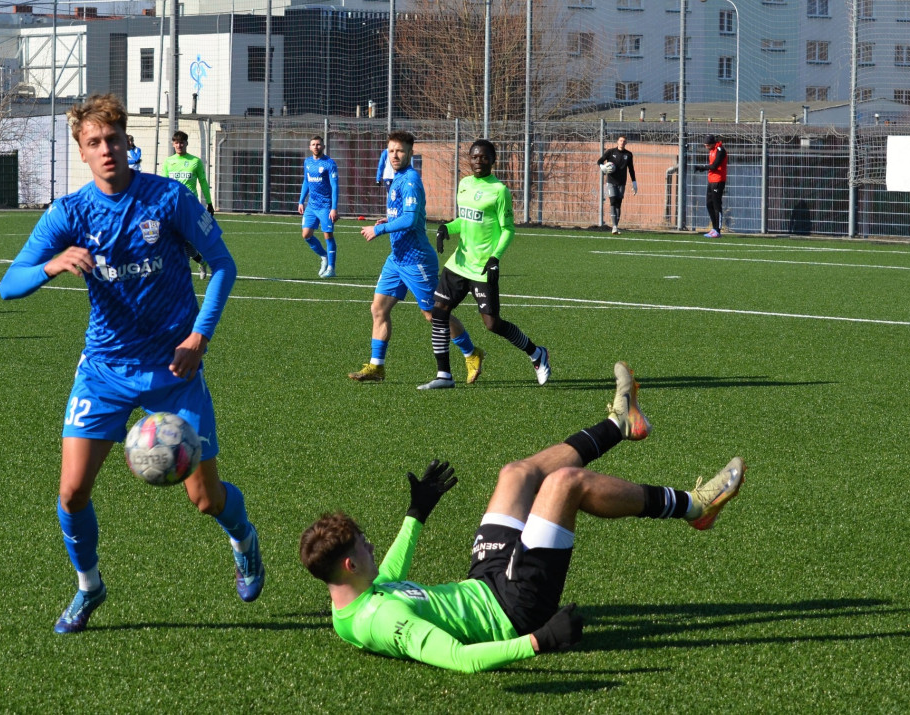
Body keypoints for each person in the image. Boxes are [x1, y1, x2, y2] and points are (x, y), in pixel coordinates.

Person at [0, 94, 265, 634]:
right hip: (104, 370)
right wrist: (52, 264)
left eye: (113, 139)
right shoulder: (68, 213)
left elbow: (222, 265)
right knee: (71, 492)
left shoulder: (167, 198)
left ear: (128, 143)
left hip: (175, 370)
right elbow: (9, 284)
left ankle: (244, 539)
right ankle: (88, 586)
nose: (106, 150)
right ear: (82, 151)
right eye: (94, 142)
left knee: (205, 499)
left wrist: (199, 337)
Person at [300, 361, 745, 673]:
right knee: (564, 484)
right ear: (349, 564)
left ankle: (619, 424)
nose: (371, 545)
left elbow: (390, 577)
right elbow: (459, 658)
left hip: (483, 582)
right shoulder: (379, 622)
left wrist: (416, 514)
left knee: (516, 474)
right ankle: (695, 506)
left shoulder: (357, 595)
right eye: (364, 545)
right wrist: (539, 640)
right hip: (514, 608)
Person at [350, 130, 481, 383]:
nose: (394, 155)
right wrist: (389, 219)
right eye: (391, 151)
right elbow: (407, 214)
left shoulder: (410, 180)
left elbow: (410, 220)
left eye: (400, 151)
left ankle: (471, 352)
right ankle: (377, 366)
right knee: (378, 308)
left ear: (411, 152)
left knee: (433, 314)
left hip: (417, 260)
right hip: (397, 258)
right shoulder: (397, 177)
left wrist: (379, 230)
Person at [422, 139, 549, 390]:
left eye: (484, 157)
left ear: (493, 160)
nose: (478, 161)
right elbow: (464, 220)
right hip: (459, 263)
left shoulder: (499, 191)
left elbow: (508, 229)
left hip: (483, 268)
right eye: (474, 157)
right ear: (469, 159)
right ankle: (444, 375)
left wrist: (495, 258)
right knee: (439, 313)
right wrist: (447, 228)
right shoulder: (464, 184)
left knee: (492, 324)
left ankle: (536, 353)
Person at [162, 130, 215, 278]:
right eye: (176, 143)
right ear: (173, 144)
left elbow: (203, 182)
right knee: (179, 239)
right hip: (173, 206)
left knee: (185, 238)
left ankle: (184, 269)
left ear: (186, 143)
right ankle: (201, 261)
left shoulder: (195, 161)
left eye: (182, 142)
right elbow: (164, 185)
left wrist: (209, 203)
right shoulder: (168, 162)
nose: (179, 145)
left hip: (190, 206)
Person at [298, 135, 339, 278]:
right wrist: (301, 201)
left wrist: (334, 208)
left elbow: (335, 187)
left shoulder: (330, 164)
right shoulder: (307, 162)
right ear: (310, 147)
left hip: (325, 206)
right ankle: (324, 256)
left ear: (323, 146)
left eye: (318, 144)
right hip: (311, 205)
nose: (316, 147)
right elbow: (306, 181)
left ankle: (331, 268)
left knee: (328, 235)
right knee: (306, 235)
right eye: (313, 144)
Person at [596, 136, 637, 235]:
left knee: (618, 204)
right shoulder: (610, 152)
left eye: (624, 141)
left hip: (622, 182)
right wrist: (602, 167)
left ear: (626, 143)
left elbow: (631, 169)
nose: (622, 142)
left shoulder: (628, 154)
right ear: (617, 142)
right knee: (613, 201)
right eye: (620, 141)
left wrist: (634, 182)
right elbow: (599, 161)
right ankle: (614, 226)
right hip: (611, 181)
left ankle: (616, 226)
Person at [694, 134, 728, 238]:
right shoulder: (712, 150)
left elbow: (714, 166)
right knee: (709, 204)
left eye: (707, 145)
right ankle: (714, 228)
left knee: (717, 205)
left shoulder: (720, 150)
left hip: (718, 181)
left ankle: (718, 230)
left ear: (713, 143)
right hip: (711, 180)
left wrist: (702, 167)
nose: (706, 147)